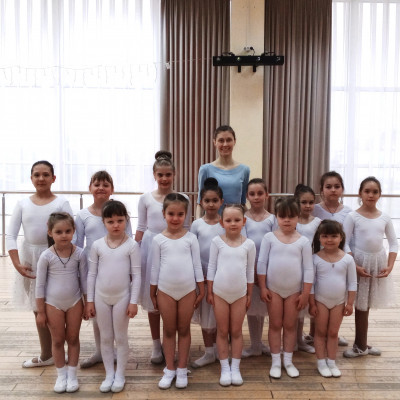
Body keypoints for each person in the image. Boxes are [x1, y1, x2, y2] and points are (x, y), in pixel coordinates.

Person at [6, 160, 73, 368]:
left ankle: (59, 349)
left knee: (57, 303)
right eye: (37, 175)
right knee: (39, 306)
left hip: (56, 256)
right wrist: (17, 264)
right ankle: (47, 353)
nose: (41, 178)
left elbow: (72, 232)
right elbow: (10, 235)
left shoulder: (61, 202)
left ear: (53, 178)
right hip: (30, 259)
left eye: (45, 174)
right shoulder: (22, 204)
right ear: (31, 178)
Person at [135, 151, 190, 364]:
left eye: (168, 174)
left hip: (175, 248)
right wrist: (135, 254)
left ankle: (173, 343)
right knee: (153, 298)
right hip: (150, 247)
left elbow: (186, 227)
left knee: (170, 295)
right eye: (160, 175)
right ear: (154, 175)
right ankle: (156, 344)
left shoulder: (183, 198)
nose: (164, 178)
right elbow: (141, 227)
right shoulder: (145, 199)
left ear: (174, 174)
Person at [74, 171, 132, 368]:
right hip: (93, 269)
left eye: (105, 185)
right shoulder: (82, 215)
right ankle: (101, 351)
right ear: (90, 188)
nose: (101, 188)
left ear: (112, 189)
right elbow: (78, 244)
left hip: (117, 269)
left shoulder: (120, 213)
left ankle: (116, 349)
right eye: (97, 184)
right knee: (98, 313)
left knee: (117, 313)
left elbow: (129, 238)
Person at [150, 193, 204, 389]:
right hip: (165, 291)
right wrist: (152, 292)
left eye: (180, 214)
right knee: (169, 329)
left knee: (184, 329)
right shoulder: (158, 240)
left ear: (186, 215)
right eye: (171, 214)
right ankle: (170, 368)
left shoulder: (191, 238)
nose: (175, 218)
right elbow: (155, 268)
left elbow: (197, 265)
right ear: (164, 214)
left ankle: (182, 368)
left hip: (188, 290)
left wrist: (201, 289)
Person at [85, 200, 141, 393]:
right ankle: (109, 374)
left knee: (121, 337)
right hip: (100, 297)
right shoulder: (97, 245)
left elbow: (137, 275)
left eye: (120, 220)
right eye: (110, 221)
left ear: (126, 220)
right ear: (104, 222)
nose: (116, 225)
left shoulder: (132, 245)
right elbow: (92, 274)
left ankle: (120, 375)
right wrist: (90, 300)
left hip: (122, 297)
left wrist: (133, 302)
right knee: (106, 337)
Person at [257, 197, 314, 379]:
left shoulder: (303, 241)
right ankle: (275, 361)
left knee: (290, 326)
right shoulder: (269, 238)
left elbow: (308, 269)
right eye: (282, 216)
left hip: (294, 291)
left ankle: (288, 361)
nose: (287, 220)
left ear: (298, 217)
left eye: (291, 216)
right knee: (275, 325)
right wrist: (263, 287)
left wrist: (305, 293)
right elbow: (262, 263)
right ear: (276, 217)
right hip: (273, 290)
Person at [342, 177, 398, 358]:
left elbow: (393, 243)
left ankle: (362, 343)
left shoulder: (385, 217)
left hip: (377, 263)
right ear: (360, 193)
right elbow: (344, 242)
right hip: (359, 262)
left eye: (375, 192)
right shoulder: (353, 216)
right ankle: (360, 345)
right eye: (367, 191)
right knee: (360, 305)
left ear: (380, 194)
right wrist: (354, 265)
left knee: (367, 304)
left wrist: (389, 266)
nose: (371, 195)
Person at [35, 212, 87, 393]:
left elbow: (84, 281)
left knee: (73, 338)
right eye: (59, 232)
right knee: (57, 340)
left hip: (75, 302)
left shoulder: (79, 254)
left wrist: (88, 303)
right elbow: (40, 285)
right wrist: (41, 311)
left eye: (68, 231)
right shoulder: (46, 256)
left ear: (74, 231)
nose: (64, 235)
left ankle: (72, 374)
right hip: (52, 304)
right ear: (50, 233)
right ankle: (61, 375)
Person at [207, 204, 256, 387]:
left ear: (244, 221)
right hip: (220, 293)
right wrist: (210, 291)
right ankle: (224, 368)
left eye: (237, 220)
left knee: (236, 331)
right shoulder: (217, 242)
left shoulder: (249, 244)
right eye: (228, 220)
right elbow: (211, 267)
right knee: (222, 331)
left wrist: (249, 294)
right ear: (222, 223)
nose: (233, 223)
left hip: (240, 294)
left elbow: (250, 271)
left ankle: (235, 367)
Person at [310, 220, 357, 377]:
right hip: (320, 301)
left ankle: (331, 362)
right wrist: (312, 303)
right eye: (325, 236)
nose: (329, 240)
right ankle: (321, 362)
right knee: (320, 332)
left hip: (339, 302)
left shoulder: (348, 259)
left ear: (341, 237)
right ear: (319, 238)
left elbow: (352, 283)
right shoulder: (315, 258)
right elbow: (311, 284)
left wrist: (350, 303)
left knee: (333, 332)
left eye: (333, 236)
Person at [311, 171, 351, 347]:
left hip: (338, 259)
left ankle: (332, 332)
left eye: (337, 186)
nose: (333, 190)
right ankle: (314, 333)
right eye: (328, 187)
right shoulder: (315, 209)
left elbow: (348, 239)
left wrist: (348, 258)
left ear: (342, 189)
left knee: (334, 293)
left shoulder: (348, 212)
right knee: (318, 294)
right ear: (321, 190)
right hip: (318, 258)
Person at [190, 178, 224, 368]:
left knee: (219, 314)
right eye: (207, 201)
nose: (211, 204)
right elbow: (193, 251)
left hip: (221, 275)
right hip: (202, 276)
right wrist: (198, 276)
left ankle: (220, 350)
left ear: (221, 202)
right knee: (205, 314)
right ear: (201, 202)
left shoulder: (225, 223)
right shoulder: (197, 225)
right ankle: (209, 351)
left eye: (215, 200)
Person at [242, 178, 275, 358]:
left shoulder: (272, 219)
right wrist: (251, 268)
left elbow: (275, 243)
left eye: (260, 193)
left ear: (266, 195)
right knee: (252, 307)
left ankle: (259, 343)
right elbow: (243, 243)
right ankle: (254, 344)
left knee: (262, 307)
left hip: (267, 269)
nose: (256, 197)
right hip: (249, 268)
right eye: (252, 194)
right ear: (247, 196)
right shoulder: (243, 218)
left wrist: (263, 270)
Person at [196, 125, 250, 217]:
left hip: (234, 222)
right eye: (221, 140)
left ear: (234, 141)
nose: (225, 144)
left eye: (229, 140)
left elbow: (243, 203)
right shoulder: (205, 169)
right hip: (212, 222)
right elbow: (200, 203)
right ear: (214, 142)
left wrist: (254, 220)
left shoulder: (244, 170)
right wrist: (197, 222)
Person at [294, 184, 321, 354]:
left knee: (303, 304)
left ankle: (299, 339)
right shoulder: (292, 221)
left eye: (311, 202)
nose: (308, 206)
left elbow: (319, 246)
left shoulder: (317, 222)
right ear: (297, 202)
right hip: (293, 265)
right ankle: (291, 339)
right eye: (304, 202)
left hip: (309, 266)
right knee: (294, 303)